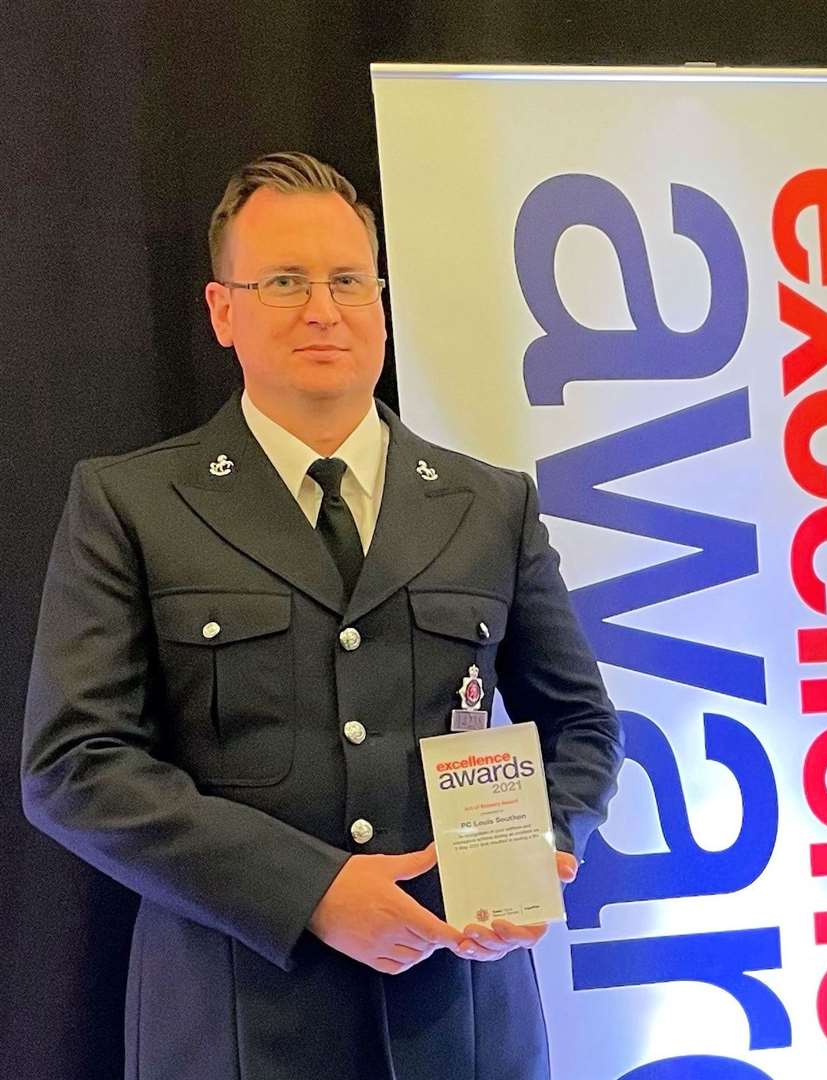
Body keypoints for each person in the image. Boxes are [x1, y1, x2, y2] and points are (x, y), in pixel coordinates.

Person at [21, 151, 622, 1080]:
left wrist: (543, 844)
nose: (322, 308)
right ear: (224, 310)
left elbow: (578, 723)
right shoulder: (132, 503)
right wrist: (313, 892)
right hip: (234, 1021)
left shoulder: (489, 504)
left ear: (379, 301)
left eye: (348, 280)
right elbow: (74, 766)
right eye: (284, 281)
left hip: (462, 1020)